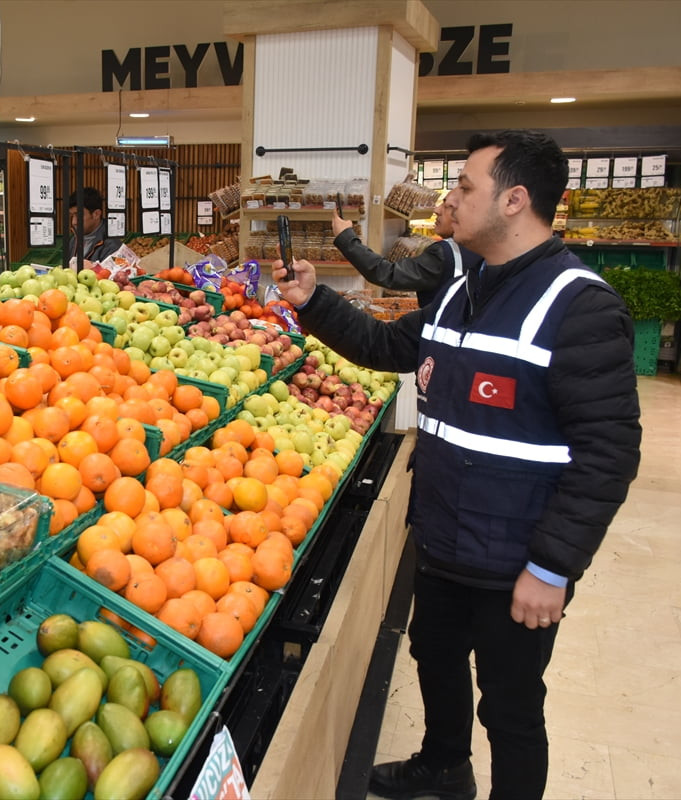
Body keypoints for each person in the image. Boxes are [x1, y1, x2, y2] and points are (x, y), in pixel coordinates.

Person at [273, 130, 641, 800]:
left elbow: (610, 453)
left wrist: (552, 567)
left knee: (510, 707)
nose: (450, 200)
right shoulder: (459, 287)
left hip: (517, 561)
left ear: (514, 200)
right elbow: (387, 345)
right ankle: (443, 766)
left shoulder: (579, 307)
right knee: (433, 658)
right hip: (443, 536)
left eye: (466, 186)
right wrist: (311, 303)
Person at [332, 191, 482, 307]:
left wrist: (346, 238)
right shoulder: (486, 249)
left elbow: (387, 274)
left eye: (446, 205)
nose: (437, 209)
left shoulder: (445, 253)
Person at [66, 188, 123, 268]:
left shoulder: (112, 245)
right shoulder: (73, 240)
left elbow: (112, 276)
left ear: (96, 214)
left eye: (78, 215)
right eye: (72, 216)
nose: (74, 222)